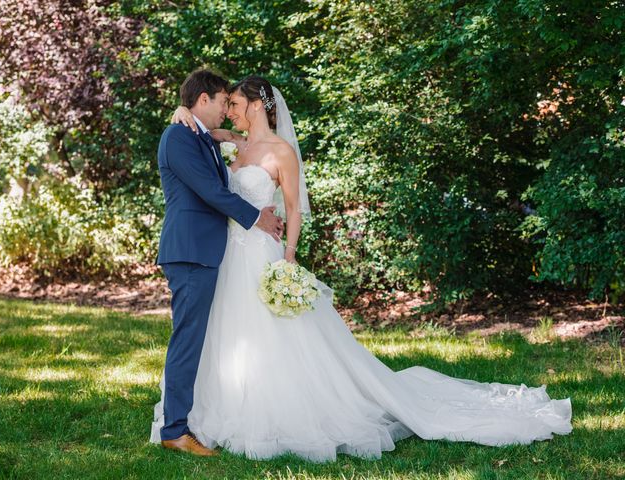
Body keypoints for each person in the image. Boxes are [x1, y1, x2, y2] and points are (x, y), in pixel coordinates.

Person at [150, 75, 572, 462]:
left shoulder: (279, 151)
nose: (229, 110)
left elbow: (294, 209)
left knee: (271, 335)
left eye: (235, 103)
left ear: (258, 106)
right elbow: (208, 174)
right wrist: (183, 111)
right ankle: (199, 416)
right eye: (224, 103)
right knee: (220, 335)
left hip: (255, 253)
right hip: (223, 254)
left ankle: (271, 410)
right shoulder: (225, 144)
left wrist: (290, 256)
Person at [154, 70, 283, 457]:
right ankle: (175, 430)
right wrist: (258, 217)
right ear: (204, 100)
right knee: (188, 340)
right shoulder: (178, 135)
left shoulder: (195, 134)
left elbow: (211, 150)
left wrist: (223, 136)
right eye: (224, 101)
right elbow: (210, 191)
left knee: (196, 339)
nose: (228, 110)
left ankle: (184, 421)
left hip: (203, 251)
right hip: (191, 251)